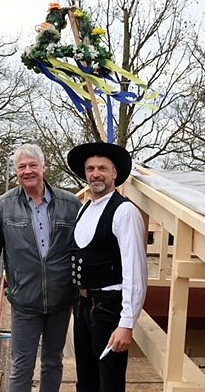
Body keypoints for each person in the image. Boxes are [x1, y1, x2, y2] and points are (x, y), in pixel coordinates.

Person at [0, 143, 81, 392]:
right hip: (25, 299)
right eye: (21, 167)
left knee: (53, 362)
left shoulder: (70, 204)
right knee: (21, 366)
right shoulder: (4, 205)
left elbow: (82, 247)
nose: (27, 171)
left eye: (32, 165)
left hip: (60, 298)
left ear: (43, 167)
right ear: (16, 171)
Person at [66, 142, 148, 392]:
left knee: (109, 383)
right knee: (86, 380)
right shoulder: (84, 209)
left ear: (114, 173)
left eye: (102, 168)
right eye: (90, 169)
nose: (95, 174)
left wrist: (127, 323)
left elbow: (135, 271)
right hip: (82, 308)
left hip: (108, 309)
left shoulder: (124, 211)